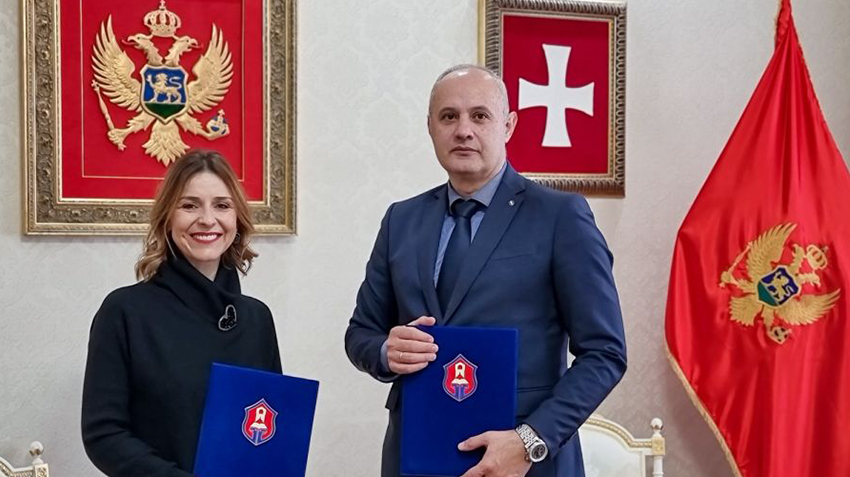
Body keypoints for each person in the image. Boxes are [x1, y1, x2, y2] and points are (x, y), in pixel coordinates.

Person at [344, 65, 627, 477]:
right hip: (417, 452)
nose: (463, 130)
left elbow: (605, 353)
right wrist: (388, 350)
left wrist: (530, 440)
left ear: (508, 126)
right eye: (449, 116)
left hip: (524, 461)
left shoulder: (560, 216)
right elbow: (361, 333)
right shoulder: (401, 220)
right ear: (430, 127)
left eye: (480, 116)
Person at [81, 150, 282, 477]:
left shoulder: (257, 318)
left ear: (237, 220)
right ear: (167, 220)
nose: (207, 219)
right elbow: (104, 435)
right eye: (190, 206)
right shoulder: (124, 312)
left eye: (222, 205)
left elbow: (266, 428)